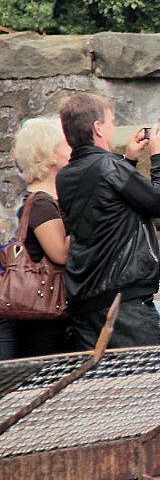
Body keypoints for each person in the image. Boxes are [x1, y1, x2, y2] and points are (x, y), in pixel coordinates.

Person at [56, 93, 160, 350]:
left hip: (85, 299)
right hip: (124, 302)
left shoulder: (66, 175)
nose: (113, 128)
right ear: (98, 128)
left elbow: (105, 197)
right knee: (149, 384)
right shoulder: (110, 168)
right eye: (111, 122)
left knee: (100, 384)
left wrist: (128, 159)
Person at [1, 117, 74, 358]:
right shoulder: (41, 202)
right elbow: (60, 253)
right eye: (65, 145)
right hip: (42, 315)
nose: (72, 149)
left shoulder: (46, 199)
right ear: (51, 154)